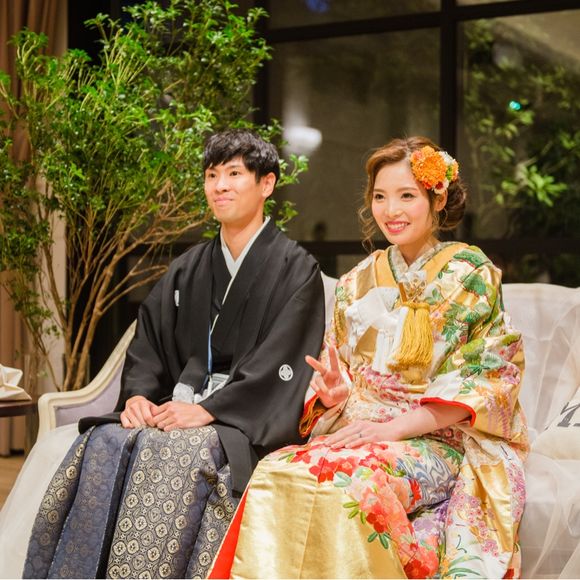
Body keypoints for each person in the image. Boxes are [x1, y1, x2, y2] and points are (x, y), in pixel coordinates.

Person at [0, 129, 325, 579]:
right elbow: (149, 341)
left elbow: (283, 359)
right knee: (102, 440)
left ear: (266, 183)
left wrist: (210, 411)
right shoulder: (189, 267)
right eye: (212, 175)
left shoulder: (297, 269)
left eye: (234, 174)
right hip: (180, 404)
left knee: (177, 454)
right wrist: (137, 395)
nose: (220, 186)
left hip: (240, 420)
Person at [210, 137, 529, 579]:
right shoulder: (358, 280)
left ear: (437, 200)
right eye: (380, 197)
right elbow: (339, 371)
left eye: (407, 196)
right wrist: (334, 394)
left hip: (435, 438)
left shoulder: (471, 275)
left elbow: (487, 378)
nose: (391, 210)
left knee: (351, 483)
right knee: (277, 471)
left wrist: (392, 429)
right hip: (362, 430)